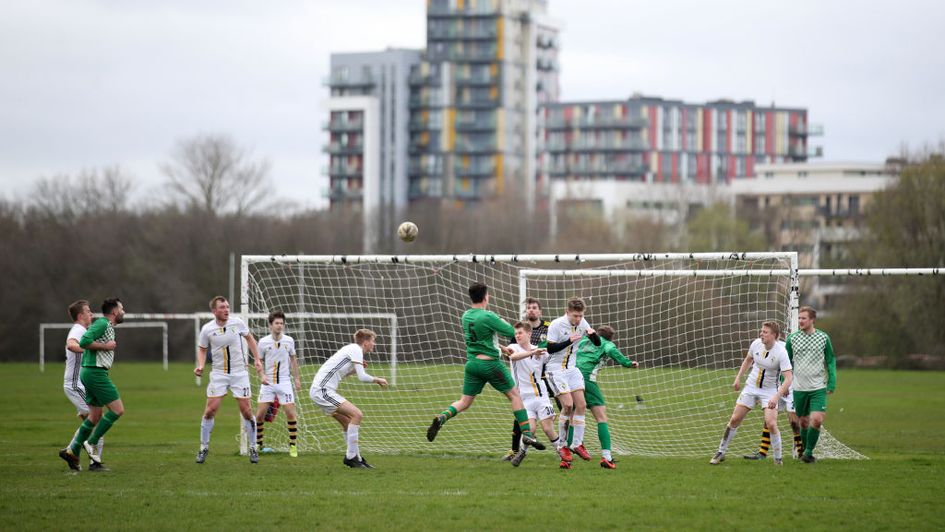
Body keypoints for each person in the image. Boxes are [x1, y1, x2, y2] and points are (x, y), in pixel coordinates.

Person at [426, 282, 545, 463]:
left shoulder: (466, 316)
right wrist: (501, 321)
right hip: (490, 365)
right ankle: (527, 434)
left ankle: (442, 417)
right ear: (485, 297)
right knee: (515, 396)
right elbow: (512, 332)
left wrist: (502, 348)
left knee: (464, 402)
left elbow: (483, 339)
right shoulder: (488, 316)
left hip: (472, 364)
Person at [194, 296, 267, 464]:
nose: (226, 310)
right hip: (218, 374)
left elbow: (250, 339)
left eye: (227, 307)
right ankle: (203, 448)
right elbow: (202, 349)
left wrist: (257, 359)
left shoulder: (237, 323)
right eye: (222, 307)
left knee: (246, 411)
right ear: (214, 311)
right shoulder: (207, 329)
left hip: (239, 373)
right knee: (210, 411)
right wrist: (201, 365)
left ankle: (253, 448)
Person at [710, 321, 793, 466]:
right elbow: (748, 360)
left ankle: (778, 459)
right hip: (751, 387)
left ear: (774, 335)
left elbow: (789, 378)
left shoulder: (781, 352)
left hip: (770, 391)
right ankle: (721, 452)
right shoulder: (756, 344)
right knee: (735, 419)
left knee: (771, 423)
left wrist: (776, 396)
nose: (761, 334)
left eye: (765, 332)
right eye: (761, 331)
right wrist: (738, 378)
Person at [58, 297, 126, 471]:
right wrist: (105, 347)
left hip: (89, 374)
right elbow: (82, 342)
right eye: (122, 309)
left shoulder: (101, 325)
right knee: (117, 410)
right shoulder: (99, 324)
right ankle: (92, 444)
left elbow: (87, 343)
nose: (124, 312)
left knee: (95, 417)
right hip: (93, 374)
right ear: (114, 311)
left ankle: (73, 450)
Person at [309, 329, 388, 468]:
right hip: (322, 391)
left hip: (320, 391)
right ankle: (351, 457)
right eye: (373, 341)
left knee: (347, 422)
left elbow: (340, 374)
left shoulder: (352, 350)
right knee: (357, 415)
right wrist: (378, 379)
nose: (374, 344)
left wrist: (353, 370)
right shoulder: (356, 349)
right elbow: (362, 377)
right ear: (365, 342)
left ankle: (356, 458)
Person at [545, 297, 600, 468]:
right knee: (568, 406)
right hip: (555, 369)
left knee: (581, 405)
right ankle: (562, 445)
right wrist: (569, 341)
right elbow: (550, 349)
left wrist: (593, 335)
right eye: (575, 315)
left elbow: (597, 343)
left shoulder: (583, 322)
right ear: (567, 312)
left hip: (572, 369)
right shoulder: (556, 324)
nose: (578, 319)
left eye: (581, 315)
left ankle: (577, 444)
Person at [573, 325, 638, 469]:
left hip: (571, 376)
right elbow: (612, 352)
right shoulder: (608, 344)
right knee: (601, 418)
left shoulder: (584, 340)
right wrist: (629, 363)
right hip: (586, 378)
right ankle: (606, 457)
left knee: (572, 413)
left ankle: (566, 452)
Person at [502, 297, 553, 461]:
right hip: (525, 380)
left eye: (534, 307)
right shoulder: (519, 332)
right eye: (529, 308)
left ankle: (569, 444)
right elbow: (510, 354)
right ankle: (515, 449)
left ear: (540, 311)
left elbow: (553, 348)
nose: (531, 310)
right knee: (521, 414)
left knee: (565, 406)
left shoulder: (549, 328)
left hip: (544, 377)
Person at [505, 321, 561, 466]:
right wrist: (532, 353)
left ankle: (563, 454)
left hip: (540, 395)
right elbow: (513, 357)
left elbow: (553, 362)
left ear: (529, 334)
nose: (517, 336)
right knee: (530, 430)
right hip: (523, 398)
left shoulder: (540, 350)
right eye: (516, 333)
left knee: (548, 428)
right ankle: (522, 452)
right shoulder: (514, 347)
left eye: (520, 333)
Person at [786, 306, 837, 463]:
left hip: (818, 388)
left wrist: (832, 382)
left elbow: (830, 360)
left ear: (812, 320)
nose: (800, 321)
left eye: (804, 318)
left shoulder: (823, 338)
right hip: (799, 388)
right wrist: (783, 383)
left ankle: (808, 453)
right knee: (803, 422)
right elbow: (786, 364)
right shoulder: (792, 339)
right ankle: (804, 452)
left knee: (817, 420)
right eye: (799, 318)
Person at [61, 300, 106, 470]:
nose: (91, 314)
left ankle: (72, 454)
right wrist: (87, 349)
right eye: (88, 311)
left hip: (80, 385)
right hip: (75, 385)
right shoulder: (78, 330)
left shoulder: (84, 330)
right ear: (80, 316)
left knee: (90, 424)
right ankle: (92, 461)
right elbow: (71, 344)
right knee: (97, 419)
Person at [255, 311, 302, 457]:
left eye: (281, 323)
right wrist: (262, 375)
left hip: (284, 382)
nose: (279, 326)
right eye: (277, 323)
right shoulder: (263, 342)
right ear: (270, 325)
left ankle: (293, 446)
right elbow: (258, 361)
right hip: (268, 383)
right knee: (260, 415)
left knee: (290, 413)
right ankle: (259, 444)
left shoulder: (289, 341)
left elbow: (293, 359)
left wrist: (297, 379)